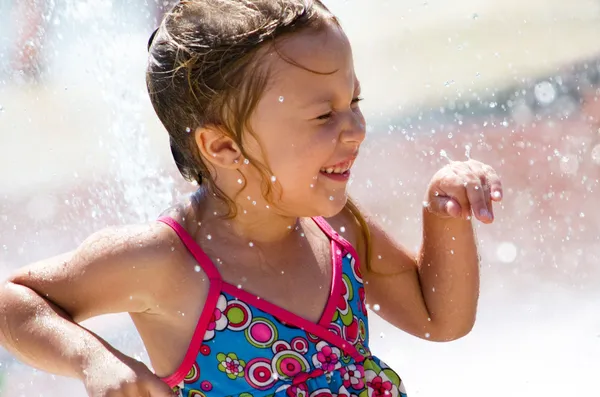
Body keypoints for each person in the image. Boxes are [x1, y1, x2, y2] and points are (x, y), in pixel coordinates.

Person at [0, 1, 503, 396]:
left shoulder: (338, 230)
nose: (355, 128)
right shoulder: (167, 261)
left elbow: (439, 319)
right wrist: (96, 360)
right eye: (323, 116)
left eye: (354, 101)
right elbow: (13, 304)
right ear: (222, 146)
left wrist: (445, 216)